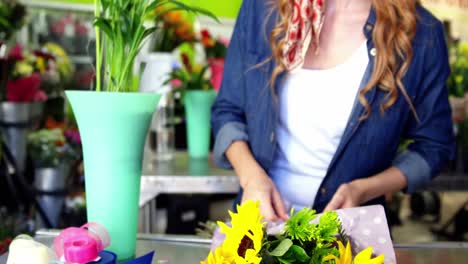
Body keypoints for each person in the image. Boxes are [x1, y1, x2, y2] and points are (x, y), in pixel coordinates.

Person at [211, 0, 455, 221]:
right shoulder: (262, 8)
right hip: (258, 228)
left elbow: (434, 148)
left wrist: (364, 190)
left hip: (351, 238)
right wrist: (251, 177)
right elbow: (228, 111)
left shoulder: (420, 34)